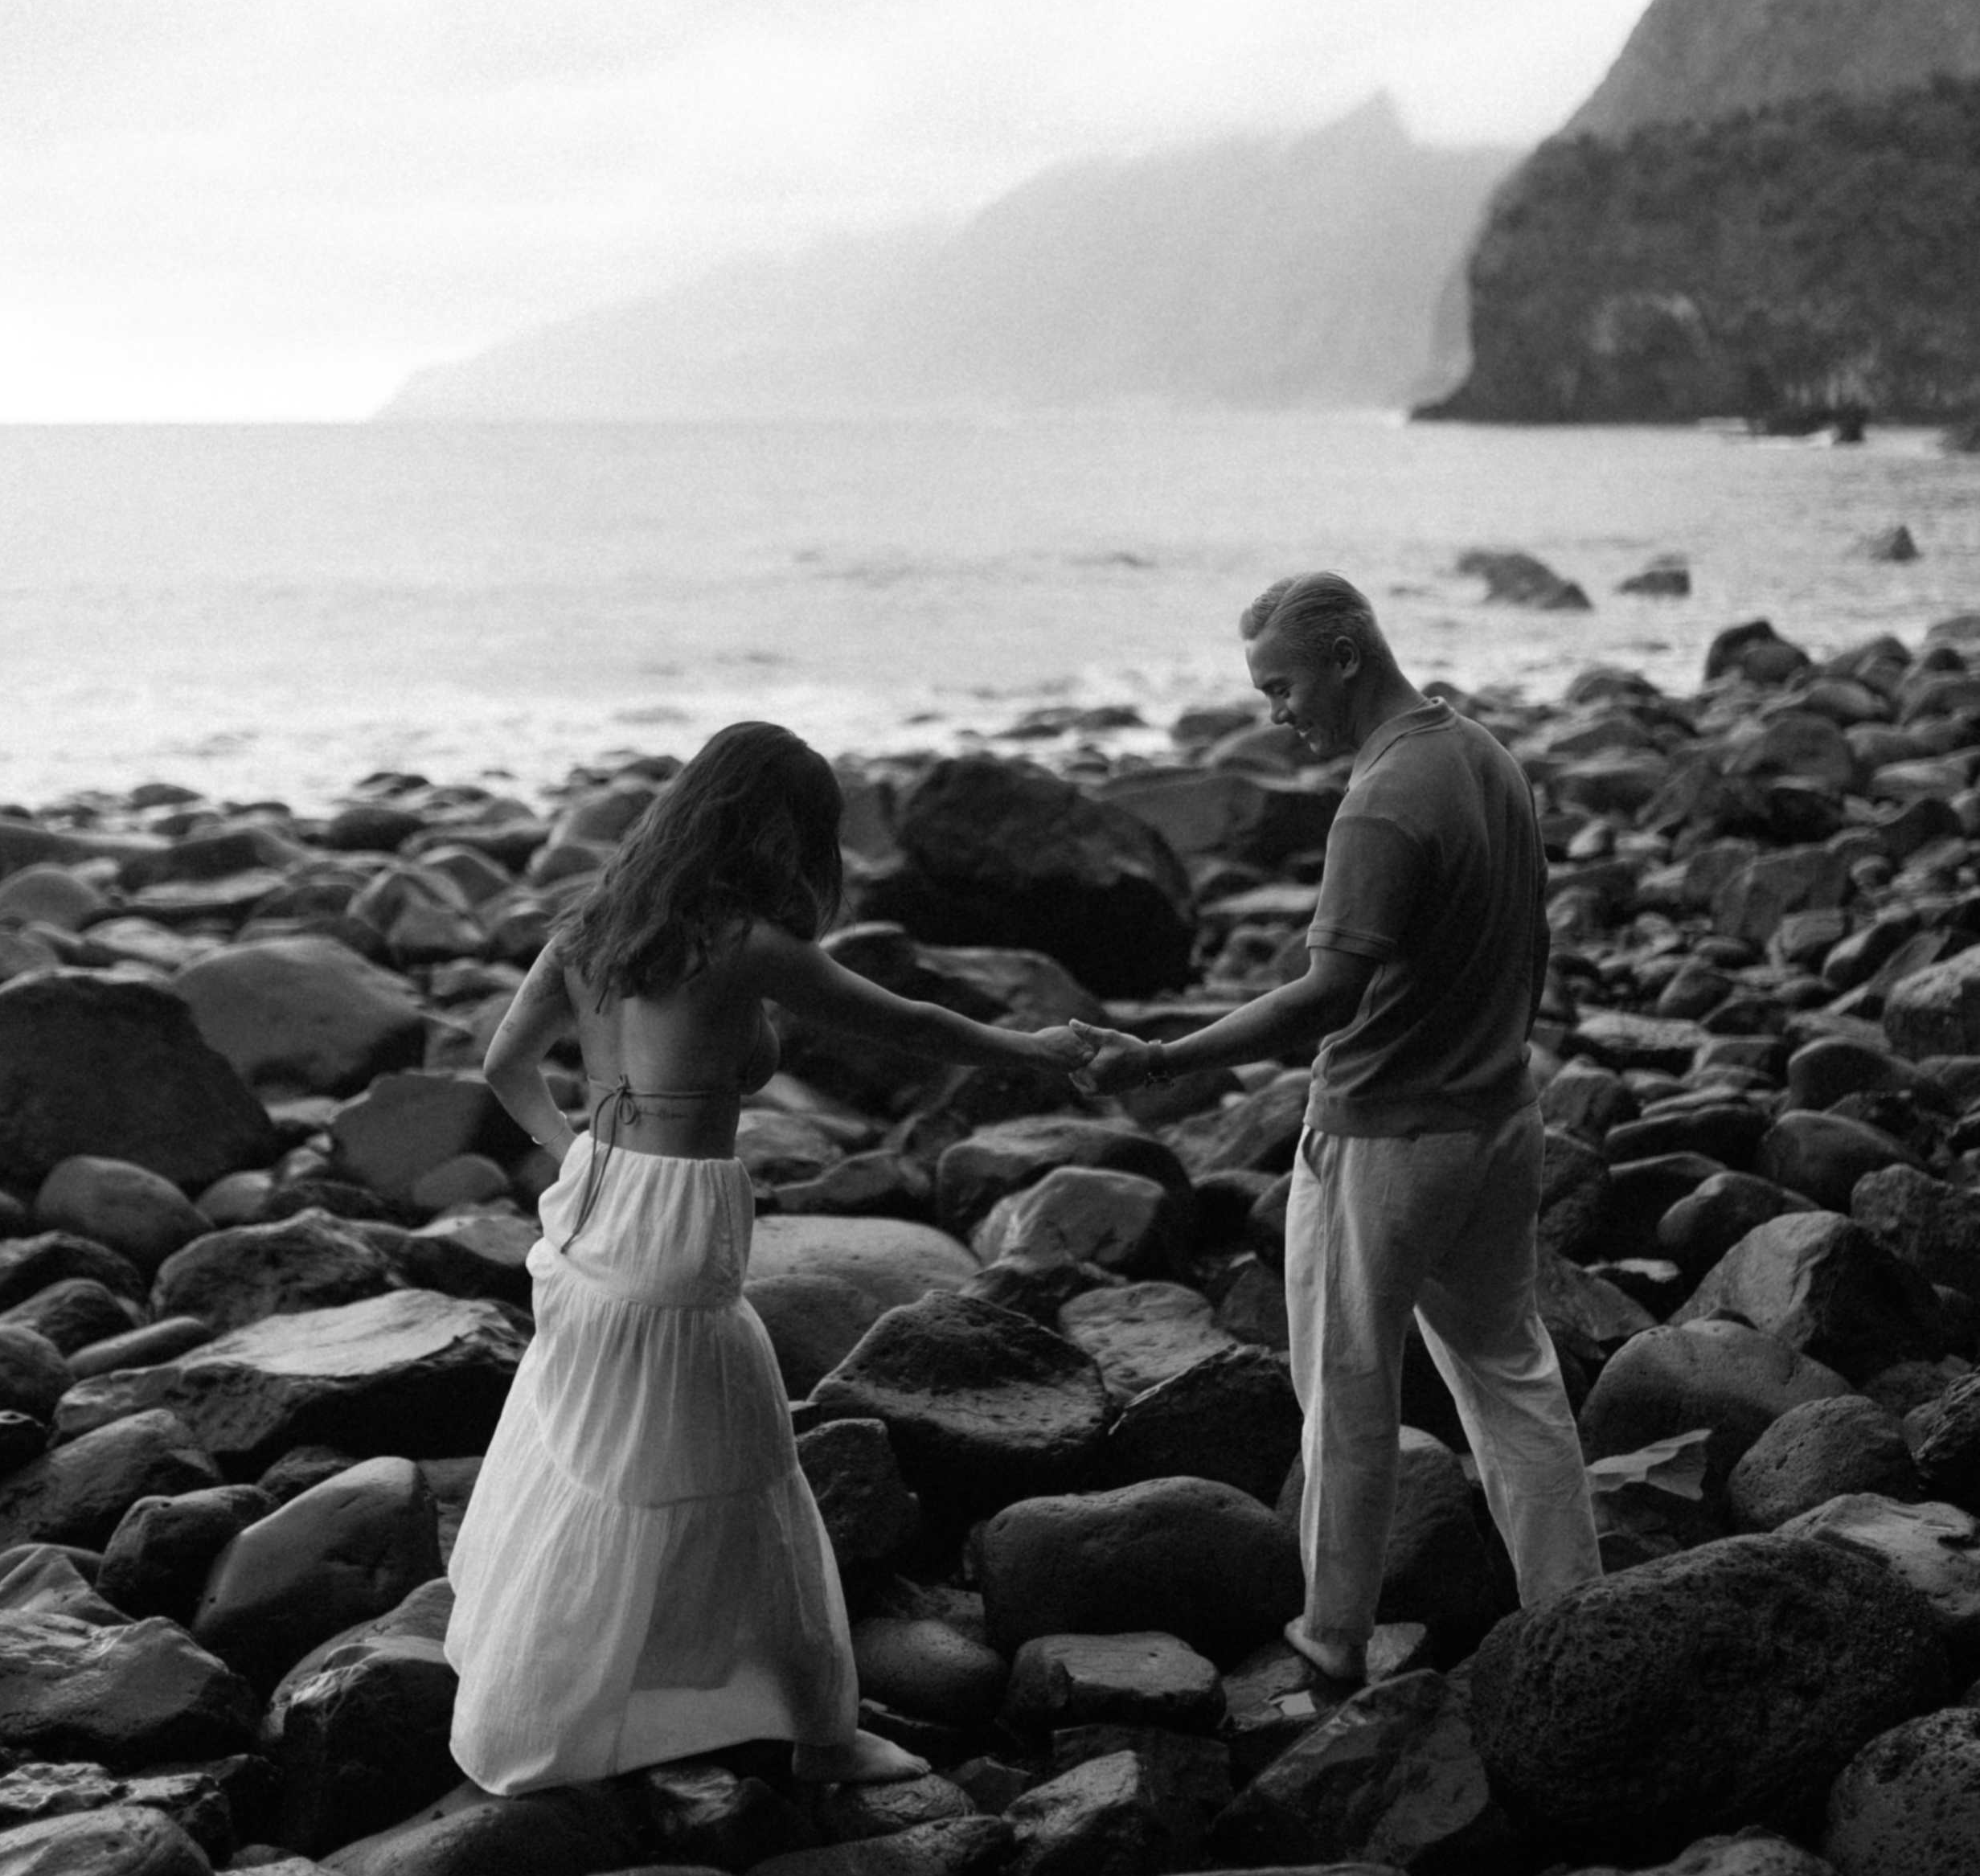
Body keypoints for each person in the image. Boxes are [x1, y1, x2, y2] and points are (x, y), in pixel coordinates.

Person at [445, 718, 1089, 1794]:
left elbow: (506, 1065)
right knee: (753, 1481)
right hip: (675, 1235)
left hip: (593, 1210)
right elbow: (909, 1024)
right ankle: (821, 1737)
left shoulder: (595, 925)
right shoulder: (741, 944)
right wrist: (1035, 1049)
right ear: (777, 831)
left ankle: (595, 1688)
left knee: (601, 1456)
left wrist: (581, 1153)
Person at [1074, 571, 1600, 1684]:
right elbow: (1531, 948)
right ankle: (1576, 1615)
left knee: (1348, 1398)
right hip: (1500, 1119)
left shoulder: (1380, 803)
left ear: (1349, 656)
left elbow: (1324, 998)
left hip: (1385, 1140)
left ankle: (1332, 1641)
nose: (1276, 712)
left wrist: (1164, 1057)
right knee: (1511, 1373)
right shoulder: (1488, 758)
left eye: (1283, 686)